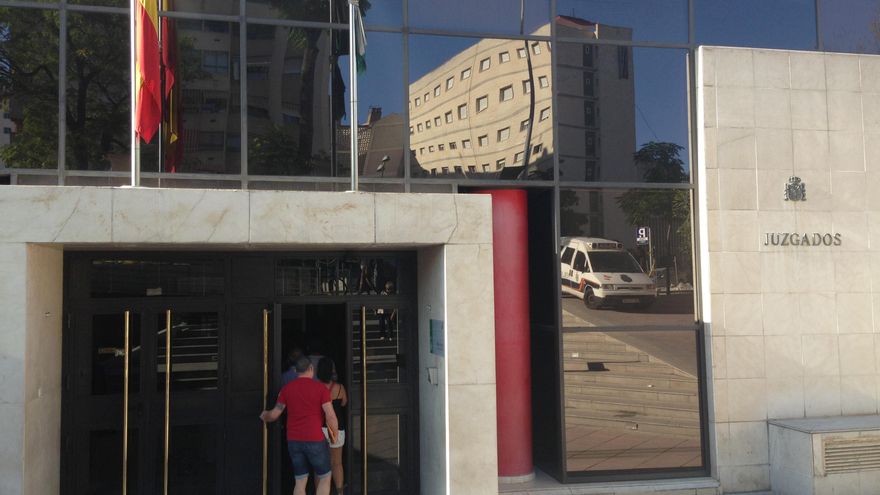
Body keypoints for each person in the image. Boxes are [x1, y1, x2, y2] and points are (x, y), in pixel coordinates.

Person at [260, 356, 339, 495]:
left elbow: (274, 415)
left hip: (294, 440)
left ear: (296, 370)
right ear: (311, 369)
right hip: (315, 439)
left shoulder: (286, 389)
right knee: (325, 476)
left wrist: (264, 415)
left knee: (300, 480)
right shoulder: (321, 389)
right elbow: (330, 416)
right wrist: (334, 436)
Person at [316, 357, 347, 494]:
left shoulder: (315, 388)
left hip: (319, 428)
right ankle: (340, 492)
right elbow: (344, 403)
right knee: (337, 462)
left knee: (320, 464)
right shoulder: (340, 387)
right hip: (336, 428)